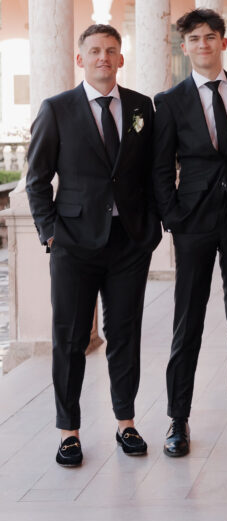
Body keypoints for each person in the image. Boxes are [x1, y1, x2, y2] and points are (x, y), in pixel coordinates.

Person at [26, 24, 161, 466]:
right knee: (70, 339)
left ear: (121, 59)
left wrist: (151, 229)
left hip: (129, 244)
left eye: (112, 51)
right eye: (95, 51)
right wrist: (50, 233)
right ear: (80, 59)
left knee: (125, 336)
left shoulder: (142, 107)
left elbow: (152, 174)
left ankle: (126, 423)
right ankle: (69, 431)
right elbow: (37, 179)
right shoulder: (57, 109)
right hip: (74, 246)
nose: (104, 57)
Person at [153, 9, 227, 457]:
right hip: (194, 222)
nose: (203, 44)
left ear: (224, 42)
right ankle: (177, 419)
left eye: (211, 37)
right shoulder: (169, 101)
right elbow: (162, 167)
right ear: (185, 47)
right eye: (195, 39)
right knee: (189, 320)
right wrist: (174, 217)